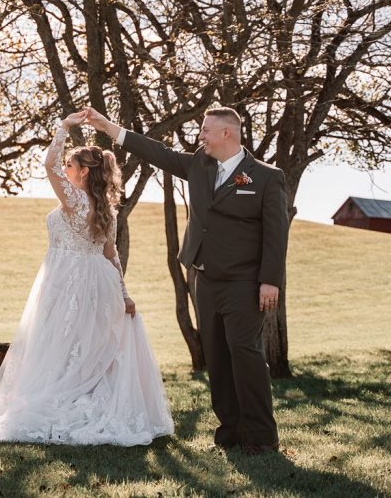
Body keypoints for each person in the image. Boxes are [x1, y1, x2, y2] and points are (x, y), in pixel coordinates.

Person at [0, 110, 173, 446]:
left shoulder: (75, 199)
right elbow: (111, 255)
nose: (65, 171)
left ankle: (67, 401)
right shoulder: (105, 207)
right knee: (81, 345)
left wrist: (64, 126)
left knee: (62, 342)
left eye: (71, 167)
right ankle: (79, 396)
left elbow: (48, 166)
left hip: (70, 280)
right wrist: (124, 293)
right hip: (95, 281)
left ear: (84, 172)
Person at [84, 106, 289, 455]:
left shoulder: (267, 177)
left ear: (228, 133)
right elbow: (158, 153)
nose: (201, 136)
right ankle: (230, 432)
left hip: (245, 281)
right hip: (204, 279)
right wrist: (111, 129)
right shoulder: (198, 165)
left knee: (246, 353)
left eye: (207, 130)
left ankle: (261, 436)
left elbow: (276, 233)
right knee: (217, 357)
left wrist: (270, 280)